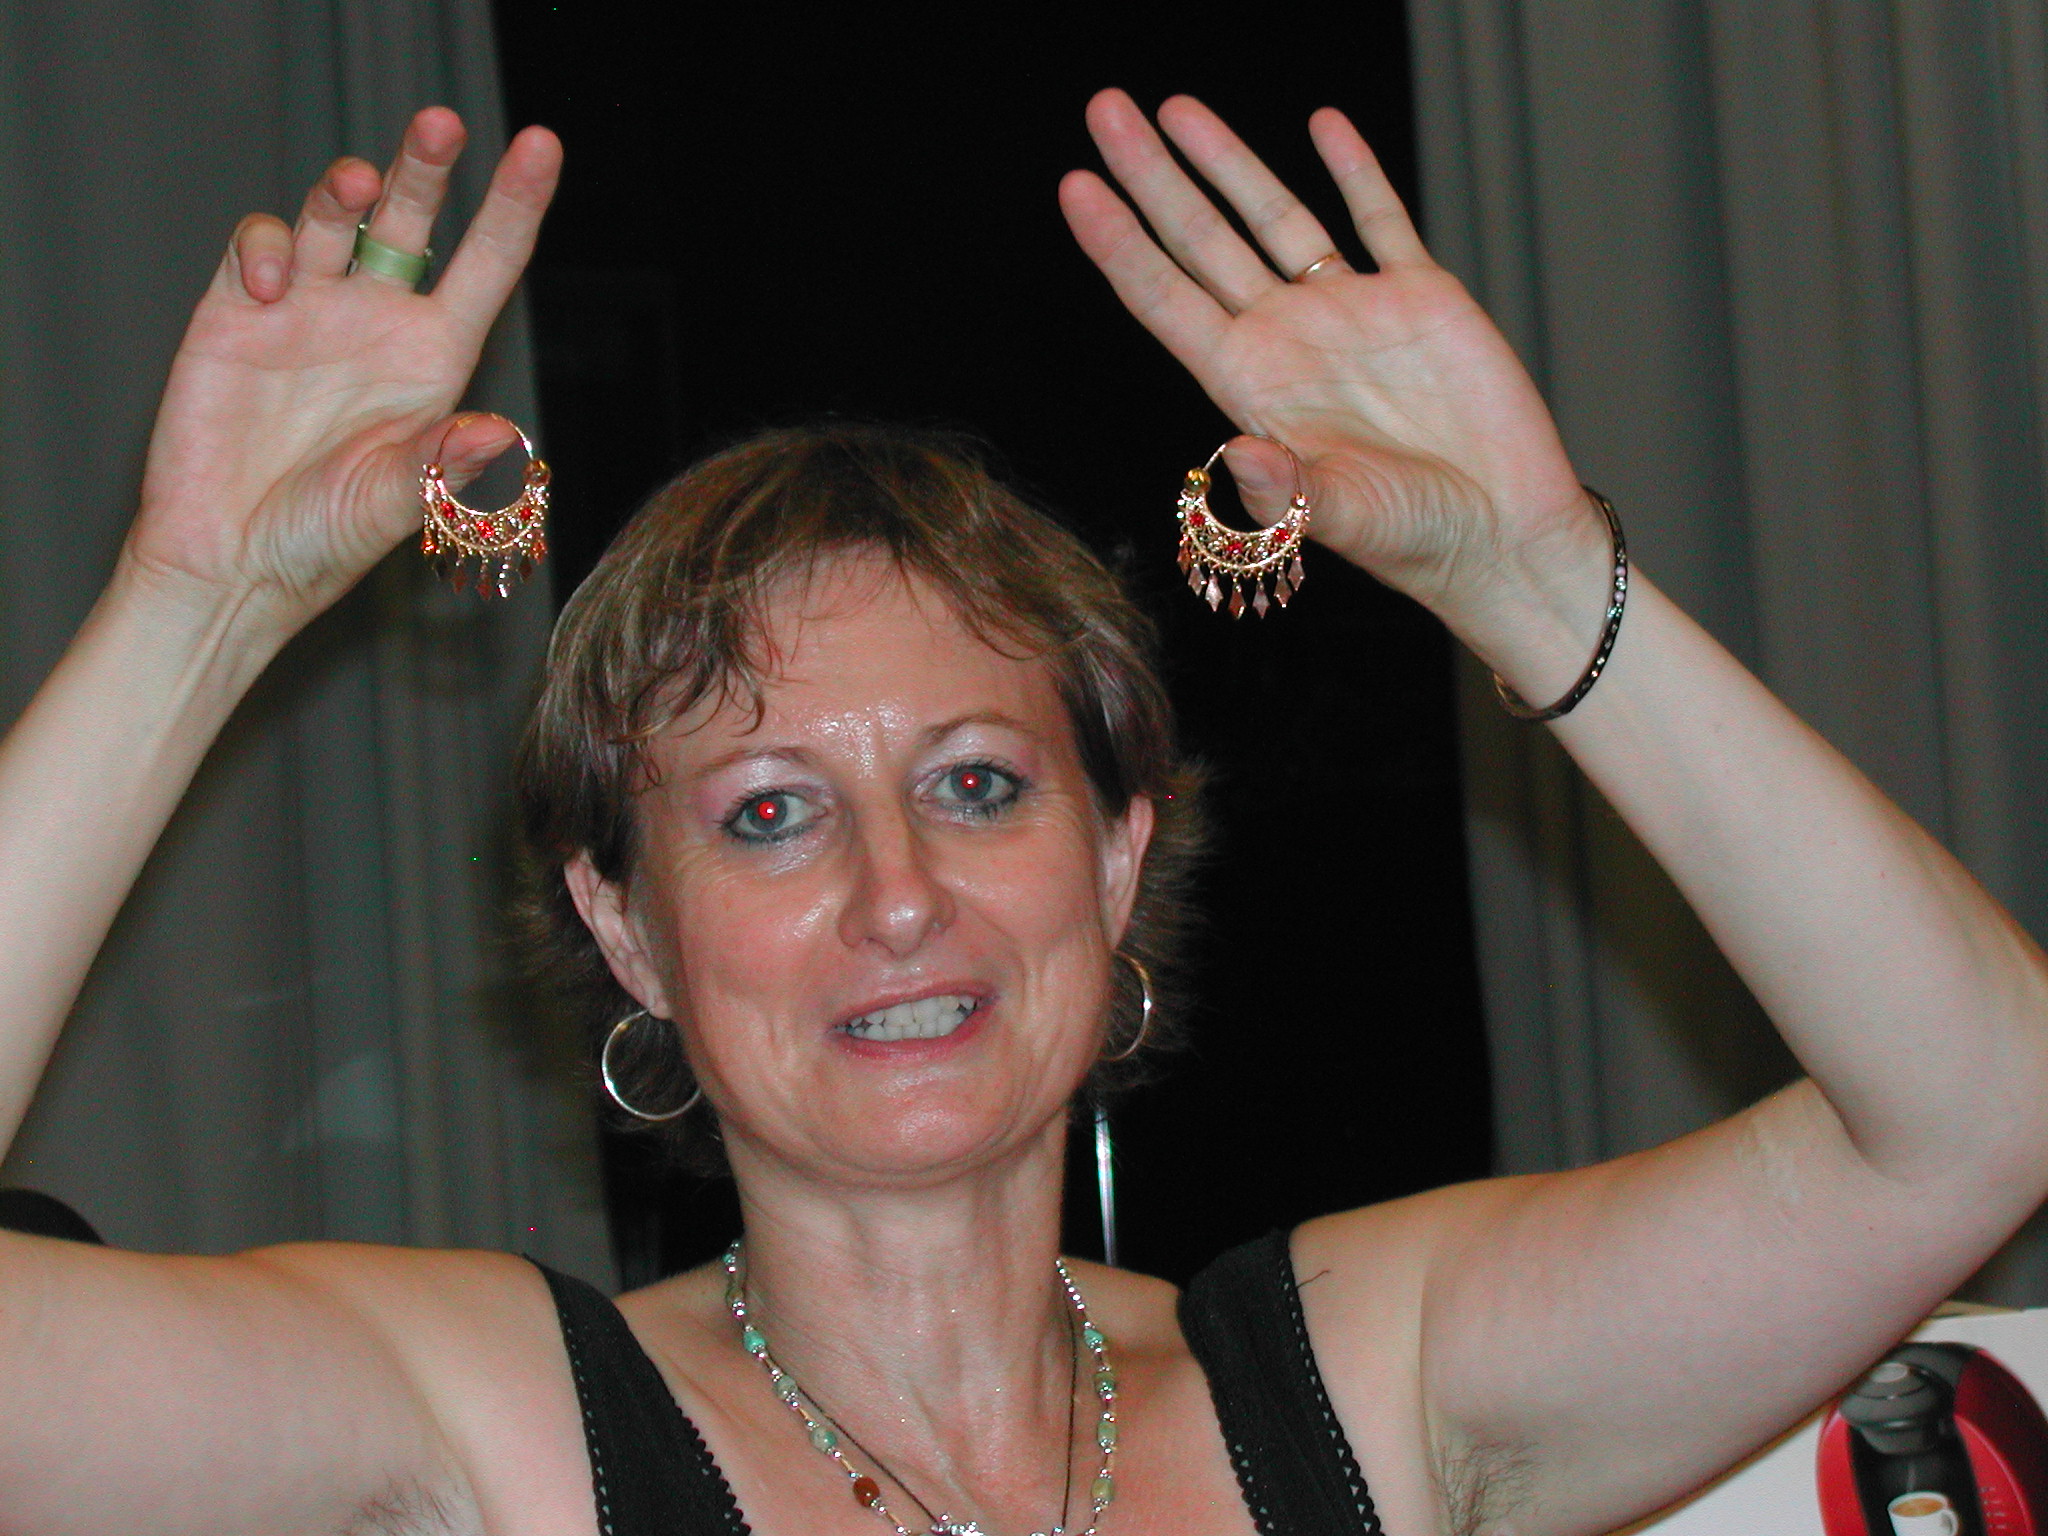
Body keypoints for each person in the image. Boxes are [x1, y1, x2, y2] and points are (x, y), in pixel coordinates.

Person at [0, 89, 2044, 1536]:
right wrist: (195, 612)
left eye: (976, 786)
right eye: (769, 815)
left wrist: (1536, 578)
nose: (899, 897)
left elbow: (1974, 1110)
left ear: (1118, 855)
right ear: (627, 928)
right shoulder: (493, 1434)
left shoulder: (1358, 1387)